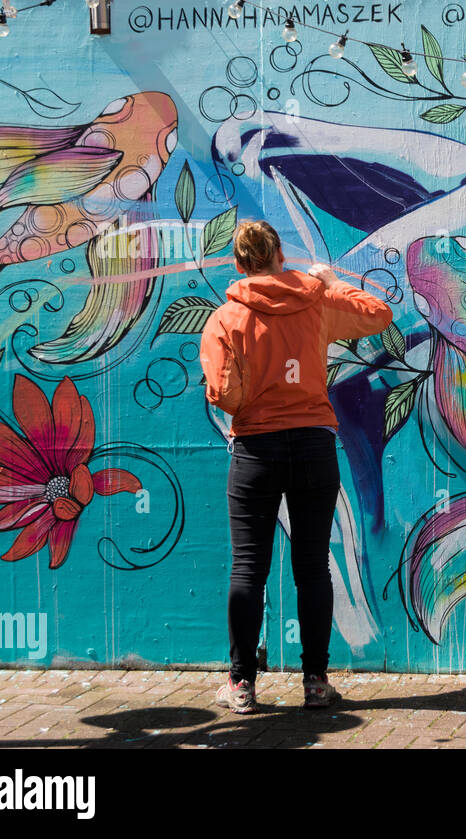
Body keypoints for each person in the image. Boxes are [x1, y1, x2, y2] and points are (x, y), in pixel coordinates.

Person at [199, 220, 392, 713]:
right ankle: (316, 682)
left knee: (249, 567)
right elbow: (378, 314)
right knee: (312, 566)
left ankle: (241, 685)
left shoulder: (226, 318)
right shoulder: (316, 303)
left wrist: (249, 402)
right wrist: (330, 281)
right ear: (280, 255)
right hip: (313, 446)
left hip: (256, 452)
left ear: (240, 264)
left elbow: (223, 393)